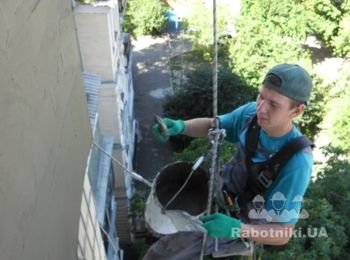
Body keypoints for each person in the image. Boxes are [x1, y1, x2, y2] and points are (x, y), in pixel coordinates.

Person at [145, 63, 313, 259]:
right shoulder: (251, 115)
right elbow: (213, 125)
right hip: (221, 192)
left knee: (161, 255)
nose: (261, 108)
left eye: (274, 104)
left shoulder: (297, 162)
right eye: (261, 96)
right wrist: (181, 126)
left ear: (296, 111)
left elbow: (283, 233)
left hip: (241, 223)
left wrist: (236, 229)